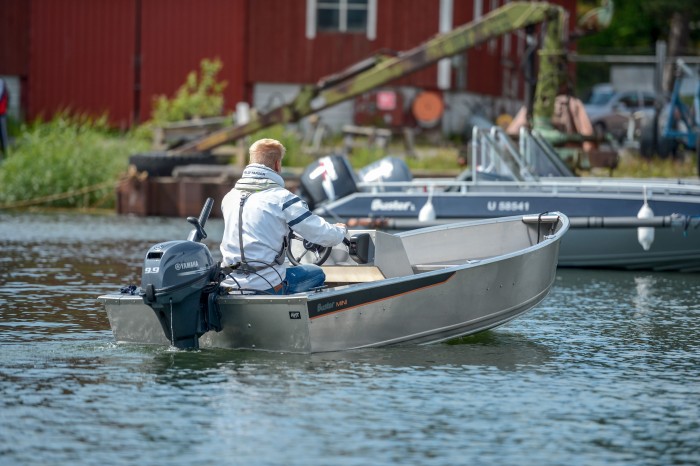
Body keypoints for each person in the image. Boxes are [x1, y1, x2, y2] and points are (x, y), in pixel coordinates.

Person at [220, 138, 347, 294]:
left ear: (250, 161)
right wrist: (340, 231)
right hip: (266, 285)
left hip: (230, 285)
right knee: (316, 273)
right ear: (277, 165)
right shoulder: (283, 199)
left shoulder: (229, 197)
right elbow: (323, 235)